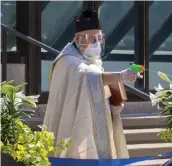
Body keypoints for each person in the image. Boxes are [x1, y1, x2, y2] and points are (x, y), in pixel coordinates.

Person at [43, 8, 142, 159]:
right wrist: (121, 76)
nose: (96, 43)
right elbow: (89, 76)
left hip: (95, 122)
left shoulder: (89, 59)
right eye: (91, 39)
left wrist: (113, 103)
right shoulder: (67, 60)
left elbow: (98, 81)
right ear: (77, 39)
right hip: (73, 121)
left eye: (99, 38)